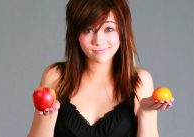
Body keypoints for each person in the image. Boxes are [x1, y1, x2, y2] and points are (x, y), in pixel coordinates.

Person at [28, 0, 174, 137]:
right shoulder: (55, 77)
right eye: (87, 29)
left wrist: (146, 112)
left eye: (109, 29)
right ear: (75, 34)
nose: (98, 40)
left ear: (123, 31)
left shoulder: (139, 82)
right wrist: (49, 117)